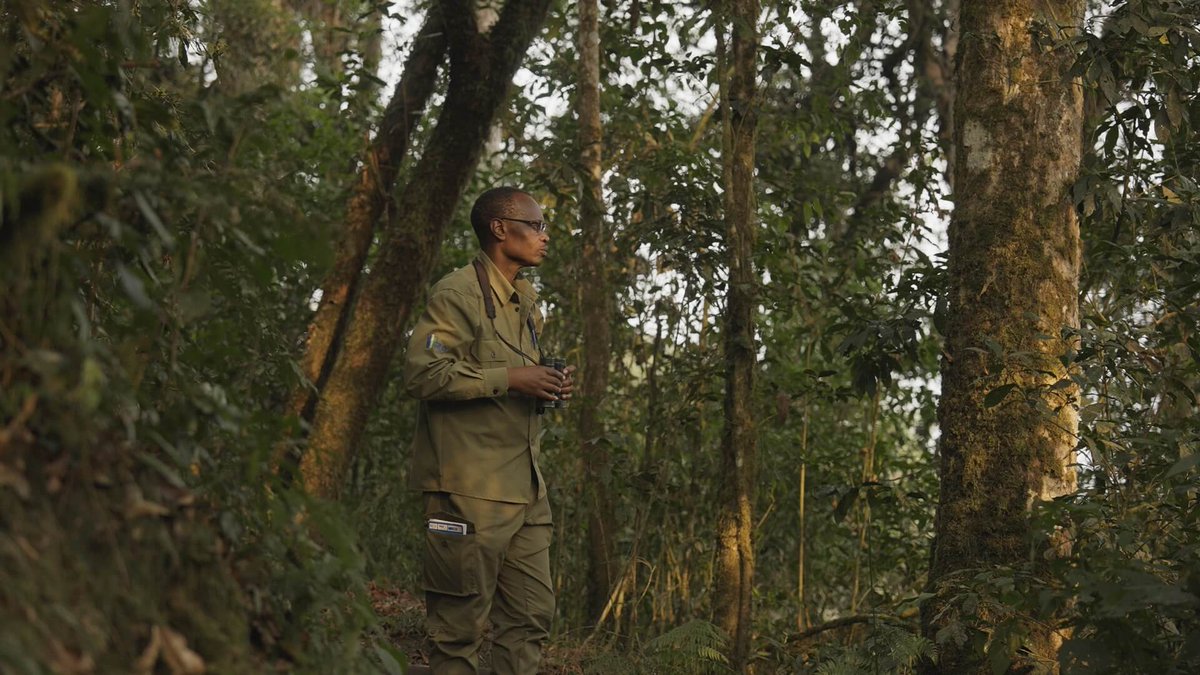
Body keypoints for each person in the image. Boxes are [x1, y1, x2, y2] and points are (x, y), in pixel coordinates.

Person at [403, 186, 575, 674]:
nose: (545, 236)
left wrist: (546, 385)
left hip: (524, 488)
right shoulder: (456, 293)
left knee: (530, 619)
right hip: (467, 490)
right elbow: (422, 374)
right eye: (536, 225)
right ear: (501, 229)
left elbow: (513, 379)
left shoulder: (525, 300)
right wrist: (511, 378)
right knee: (458, 629)